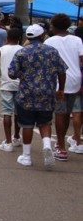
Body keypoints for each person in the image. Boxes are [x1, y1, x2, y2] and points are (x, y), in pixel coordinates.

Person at [8, 24, 66, 169]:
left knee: (27, 124)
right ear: (42, 36)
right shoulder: (52, 51)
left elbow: (12, 73)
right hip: (47, 93)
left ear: (28, 37)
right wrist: (61, 89)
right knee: (45, 122)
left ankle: (26, 156)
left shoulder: (22, 52)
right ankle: (46, 145)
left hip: (27, 94)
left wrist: (23, 74)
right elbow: (62, 71)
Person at [43, 13, 83, 161]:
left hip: (58, 80)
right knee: (66, 113)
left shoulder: (50, 41)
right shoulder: (77, 40)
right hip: (75, 79)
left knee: (60, 114)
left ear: (53, 26)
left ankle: (61, 147)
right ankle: (61, 144)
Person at [0, 27, 23, 152]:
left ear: (7, 37)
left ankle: (8, 142)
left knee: (7, 112)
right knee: (18, 113)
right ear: (19, 38)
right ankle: (16, 137)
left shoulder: (1, 50)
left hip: (6, 84)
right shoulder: (23, 50)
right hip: (20, 85)